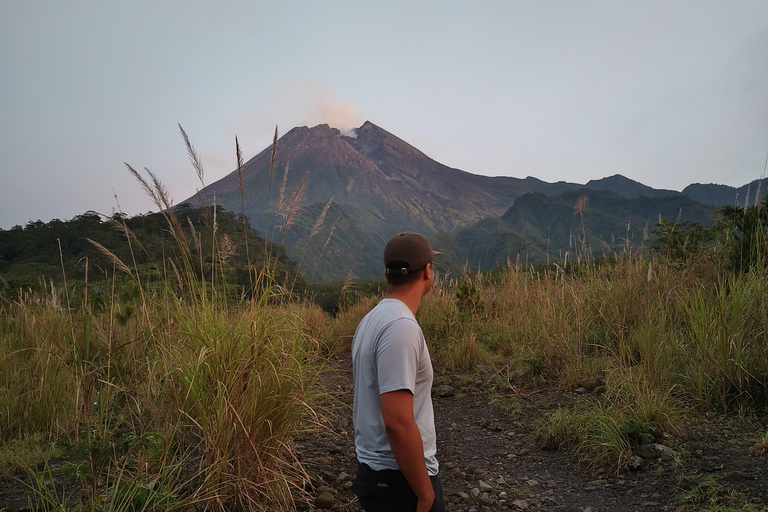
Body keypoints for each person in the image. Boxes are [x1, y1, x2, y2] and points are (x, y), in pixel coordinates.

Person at [351, 232, 444, 512]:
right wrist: (425, 494)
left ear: (386, 273)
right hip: (398, 480)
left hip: (383, 476)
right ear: (427, 272)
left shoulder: (373, 319)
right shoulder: (400, 327)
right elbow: (397, 421)